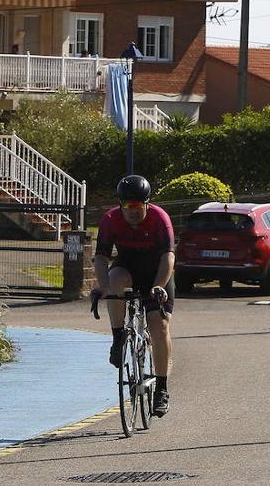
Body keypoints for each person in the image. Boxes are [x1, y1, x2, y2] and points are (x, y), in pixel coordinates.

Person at [94, 174, 175, 417]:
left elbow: (168, 257)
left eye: (137, 206)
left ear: (147, 204)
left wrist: (160, 286)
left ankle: (161, 389)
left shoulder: (160, 219)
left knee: (159, 326)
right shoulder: (111, 220)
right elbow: (101, 258)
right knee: (114, 280)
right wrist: (105, 287)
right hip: (128, 267)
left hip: (157, 272)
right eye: (127, 205)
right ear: (120, 205)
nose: (132, 211)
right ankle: (118, 338)